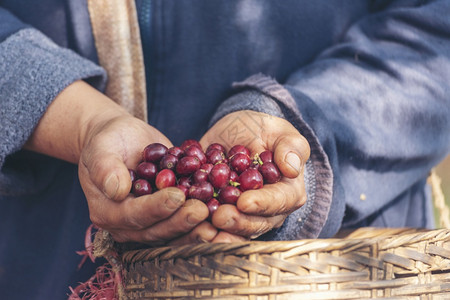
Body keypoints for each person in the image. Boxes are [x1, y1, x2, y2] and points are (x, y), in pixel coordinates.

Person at [1, 0, 449, 299]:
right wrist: (81, 121)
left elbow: (436, 33)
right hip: (45, 263)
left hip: (332, 270)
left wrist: (304, 133)